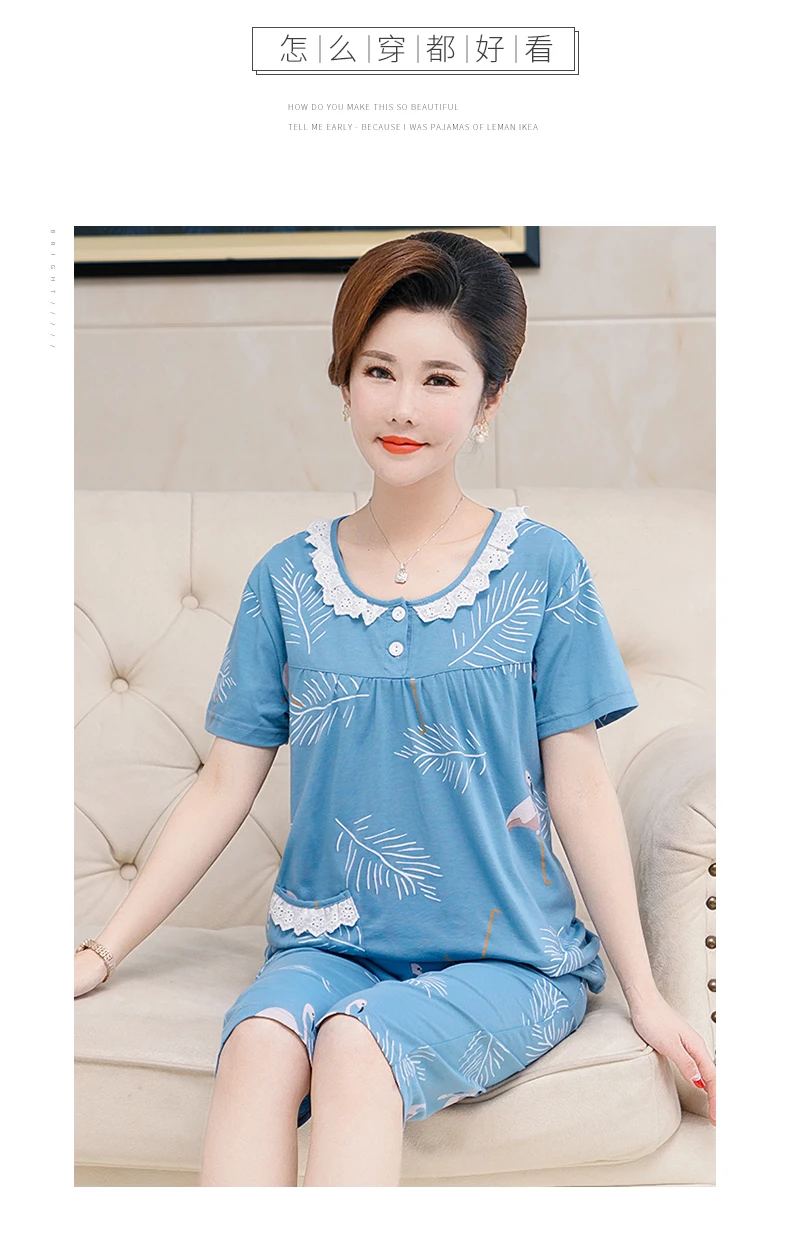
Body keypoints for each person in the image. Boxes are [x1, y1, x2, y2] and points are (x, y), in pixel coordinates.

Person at [75, 229, 716, 1187]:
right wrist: (101, 949)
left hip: (512, 960)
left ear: (489, 400)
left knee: (354, 1044)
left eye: (440, 379)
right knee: (257, 1045)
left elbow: (578, 784)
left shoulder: (543, 570)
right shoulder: (287, 581)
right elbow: (223, 784)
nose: (404, 407)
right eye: (379, 371)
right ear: (344, 383)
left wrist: (648, 995)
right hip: (328, 941)